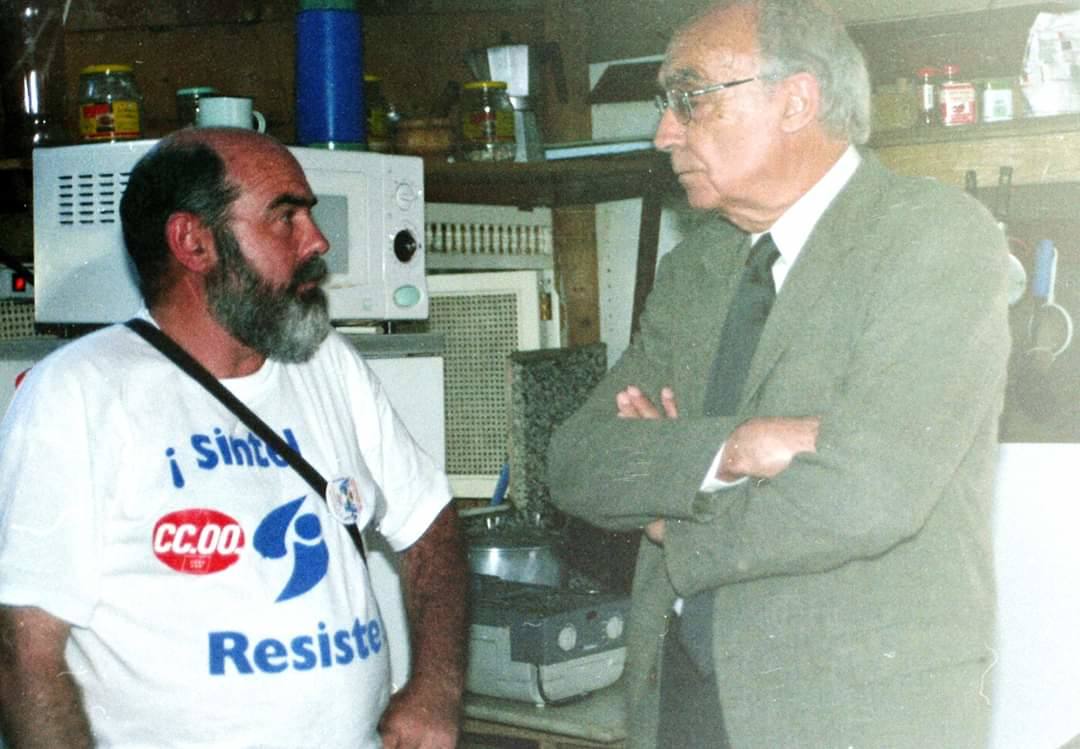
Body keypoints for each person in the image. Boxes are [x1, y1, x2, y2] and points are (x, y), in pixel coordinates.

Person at [546, 1, 1011, 748]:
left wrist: (673, 517)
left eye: (690, 98)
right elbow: (575, 459)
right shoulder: (696, 267)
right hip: (678, 701)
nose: (666, 132)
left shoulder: (934, 240)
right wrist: (737, 448)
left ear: (796, 100)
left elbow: (868, 491)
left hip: (849, 712)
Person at [0, 128, 467, 749]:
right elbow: (24, 652)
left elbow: (430, 521)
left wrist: (437, 687)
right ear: (194, 242)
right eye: (285, 217)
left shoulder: (327, 362)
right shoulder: (79, 391)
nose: (318, 240)